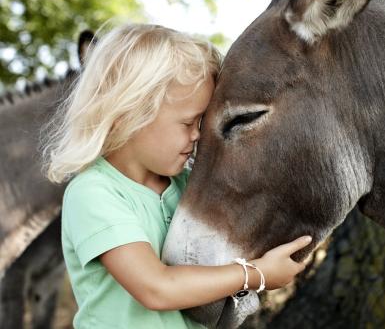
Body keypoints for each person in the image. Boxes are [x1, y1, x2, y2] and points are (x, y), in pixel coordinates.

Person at [41, 23, 311, 329]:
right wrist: (257, 274)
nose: (198, 135)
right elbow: (156, 289)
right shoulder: (94, 193)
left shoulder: (185, 185)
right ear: (129, 115)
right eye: (188, 122)